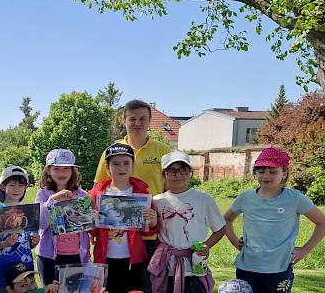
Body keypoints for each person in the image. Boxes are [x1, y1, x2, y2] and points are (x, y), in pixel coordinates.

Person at [223, 147, 325, 293]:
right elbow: (227, 220)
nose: (266, 175)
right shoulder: (245, 198)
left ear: (284, 174)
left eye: (273, 171)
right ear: (255, 173)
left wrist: (304, 250)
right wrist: (235, 241)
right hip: (247, 268)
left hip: (279, 270)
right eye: (261, 171)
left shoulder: (295, 199)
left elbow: (323, 223)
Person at [94, 99, 170, 290]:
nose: (137, 123)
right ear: (124, 120)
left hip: (151, 234)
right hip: (112, 239)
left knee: (144, 286)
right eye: (133, 119)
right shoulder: (110, 151)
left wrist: (155, 220)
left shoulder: (163, 151)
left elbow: (171, 189)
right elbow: (98, 192)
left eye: (143, 118)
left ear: (150, 120)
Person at [149, 151, 228, 293]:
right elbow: (152, 229)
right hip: (166, 265)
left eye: (183, 170)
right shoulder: (156, 201)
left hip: (194, 264)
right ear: (164, 174)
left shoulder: (203, 199)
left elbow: (220, 228)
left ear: (190, 173)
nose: (178, 175)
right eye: (172, 171)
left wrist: (206, 246)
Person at [88, 143, 158, 293]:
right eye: (116, 164)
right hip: (104, 259)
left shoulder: (142, 192)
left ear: (133, 166)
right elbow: (93, 232)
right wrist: (92, 221)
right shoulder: (96, 194)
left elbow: (147, 231)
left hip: (133, 260)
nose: (121, 168)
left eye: (126, 163)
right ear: (107, 168)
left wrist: (152, 222)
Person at [35, 149, 91, 285]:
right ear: (48, 170)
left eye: (66, 168)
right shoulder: (43, 194)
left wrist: (92, 218)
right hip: (49, 258)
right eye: (57, 169)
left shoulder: (82, 195)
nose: (62, 173)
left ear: (72, 171)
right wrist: (53, 200)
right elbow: (41, 223)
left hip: (77, 256)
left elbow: (87, 228)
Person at [0, 166, 40, 293]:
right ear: (3, 187)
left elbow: (28, 244)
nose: (17, 189)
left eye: (21, 185)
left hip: (26, 273)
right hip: (3, 273)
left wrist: (34, 242)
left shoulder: (29, 212)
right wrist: (5, 244)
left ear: (26, 187)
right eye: (12, 185)